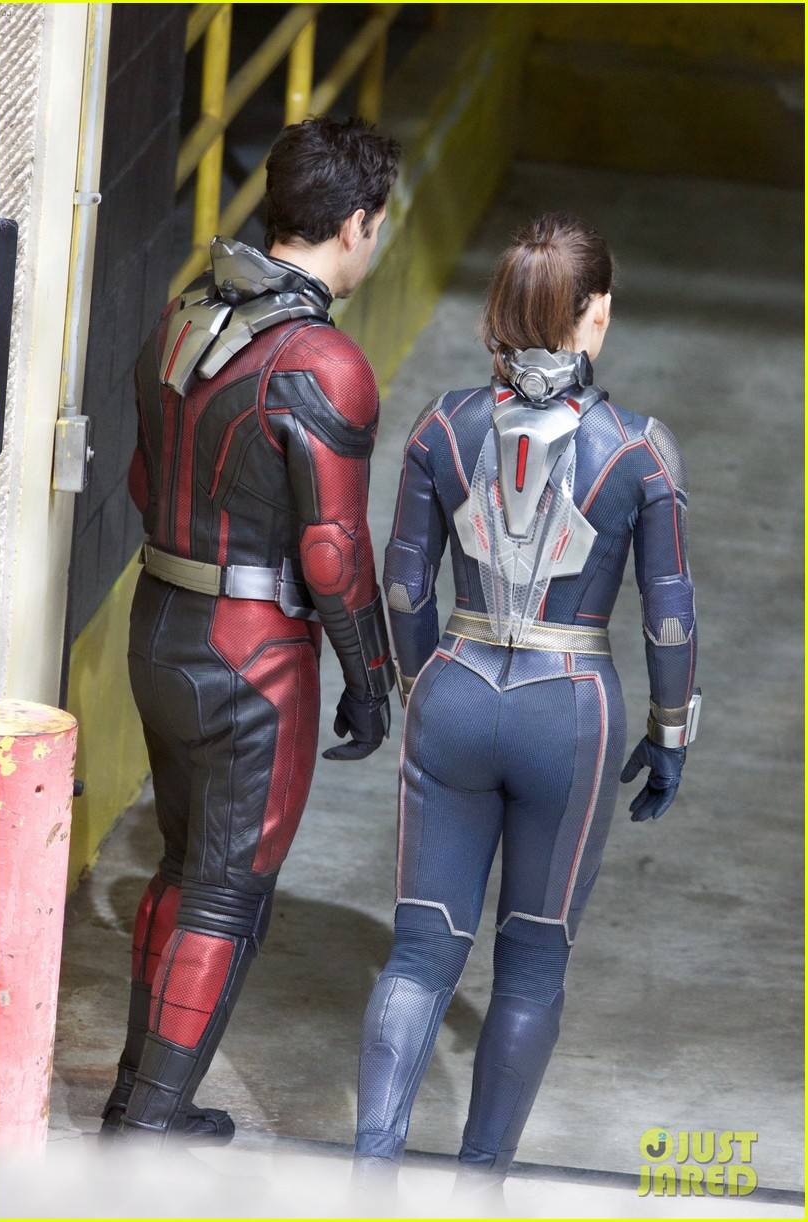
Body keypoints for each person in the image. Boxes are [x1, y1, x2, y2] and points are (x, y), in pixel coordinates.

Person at [352, 212, 701, 1203]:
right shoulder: (640, 451)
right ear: (595, 313)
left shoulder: (440, 424)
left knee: (420, 951)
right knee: (533, 963)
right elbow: (669, 615)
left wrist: (419, 686)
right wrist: (670, 733)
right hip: (570, 707)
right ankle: (477, 1192)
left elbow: (405, 585)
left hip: (456, 686)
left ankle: (368, 1179)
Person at [100, 116, 401, 1147]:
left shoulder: (183, 316)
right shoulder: (323, 361)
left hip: (158, 623)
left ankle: (138, 1094)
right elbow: (334, 553)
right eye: (377, 226)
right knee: (227, 894)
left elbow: (143, 481)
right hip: (253, 654)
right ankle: (150, 1120)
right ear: (355, 223)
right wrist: (371, 679)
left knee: (181, 867)